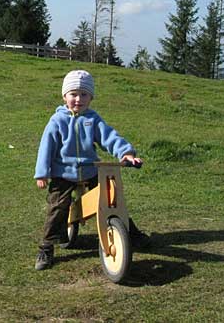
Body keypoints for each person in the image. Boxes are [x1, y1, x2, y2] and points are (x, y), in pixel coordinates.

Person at [34, 70, 149, 270]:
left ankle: (129, 232)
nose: (78, 99)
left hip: (90, 169)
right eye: (73, 94)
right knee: (57, 206)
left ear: (91, 97)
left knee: (112, 196)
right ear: (64, 96)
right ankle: (46, 247)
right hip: (64, 173)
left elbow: (109, 137)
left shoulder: (93, 119)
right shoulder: (57, 121)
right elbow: (46, 147)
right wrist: (42, 172)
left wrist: (126, 152)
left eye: (84, 95)